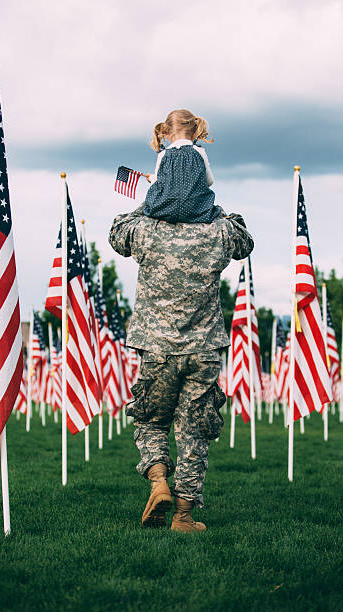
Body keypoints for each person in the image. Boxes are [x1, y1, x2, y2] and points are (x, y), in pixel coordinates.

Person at [108, 199, 254, 532]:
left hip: (157, 348)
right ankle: (184, 517)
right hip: (203, 350)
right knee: (194, 432)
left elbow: (116, 231)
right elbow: (244, 238)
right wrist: (211, 206)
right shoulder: (218, 231)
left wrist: (150, 202)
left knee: (151, 420)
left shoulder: (146, 230)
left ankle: (158, 481)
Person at [143, 109, 221, 224]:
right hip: (197, 210)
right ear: (195, 132)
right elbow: (209, 181)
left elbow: (159, 183)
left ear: (167, 134)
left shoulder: (163, 154)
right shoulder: (199, 151)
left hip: (164, 210)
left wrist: (151, 178)